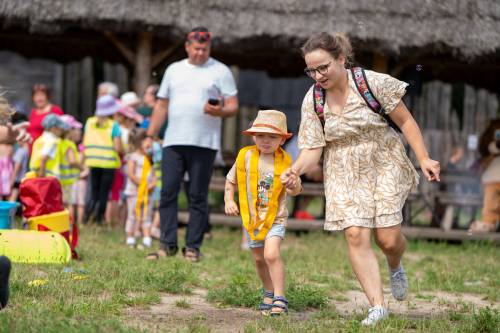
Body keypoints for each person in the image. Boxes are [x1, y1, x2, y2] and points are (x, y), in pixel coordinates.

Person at [281, 32, 440, 326]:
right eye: (311, 70)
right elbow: (312, 149)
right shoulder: (314, 98)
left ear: (341, 59)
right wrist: (295, 169)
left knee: (388, 239)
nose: (317, 76)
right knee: (355, 234)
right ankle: (377, 307)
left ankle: (395, 263)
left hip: (383, 159)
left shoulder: (371, 83)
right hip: (342, 167)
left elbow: (405, 121)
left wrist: (424, 158)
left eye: (323, 67)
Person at [146, 27, 238, 262]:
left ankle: (192, 248)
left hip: (204, 143)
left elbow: (233, 106)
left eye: (204, 49)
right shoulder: (174, 70)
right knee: (167, 193)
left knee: (197, 196)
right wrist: (150, 135)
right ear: (187, 46)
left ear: (209, 48)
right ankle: (167, 245)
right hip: (173, 141)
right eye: (196, 48)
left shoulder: (220, 70)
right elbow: (161, 105)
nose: (199, 53)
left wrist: (219, 111)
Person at [225, 110, 302, 316]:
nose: (266, 141)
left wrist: (294, 184)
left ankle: (280, 297)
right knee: (259, 259)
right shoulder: (246, 156)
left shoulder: (287, 162)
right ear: (253, 136)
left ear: (283, 139)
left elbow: (295, 190)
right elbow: (231, 180)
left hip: (276, 218)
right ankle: (268, 291)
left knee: (271, 254)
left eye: (272, 137)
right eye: (261, 136)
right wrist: (228, 199)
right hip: (253, 219)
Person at [82, 95, 123, 225]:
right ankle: (99, 219)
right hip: (108, 163)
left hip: (92, 161)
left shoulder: (89, 122)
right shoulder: (113, 125)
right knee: (104, 193)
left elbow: (85, 141)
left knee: (93, 192)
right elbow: (117, 147)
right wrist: (124, 150)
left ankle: (87, 218)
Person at [124, 128, 157, 248]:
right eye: (147, 142)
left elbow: (154, 174)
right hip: (134, 192)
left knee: (147, 214)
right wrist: (143, 184)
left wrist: (152, 184)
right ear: (139, 143)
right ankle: (130, 237)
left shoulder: (149, 158)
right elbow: (131, 174)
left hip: (148, 192)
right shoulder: (133, 157)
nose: (150, 145)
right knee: (132, 214)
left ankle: (147, 238)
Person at [469, 119, 500, 233]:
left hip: (491, 179)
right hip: (491, 180)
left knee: (491, 206)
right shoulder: (490, 148)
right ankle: (487, 224)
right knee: (490, 207)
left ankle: (488, 224)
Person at [30, 114, 70, 178]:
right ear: (53, 128)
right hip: (48, 178)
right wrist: (42, 177)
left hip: (35, 175)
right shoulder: (52, 141)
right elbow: (43, 158)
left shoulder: (40, 140)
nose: (61, 132)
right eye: (60, 129)